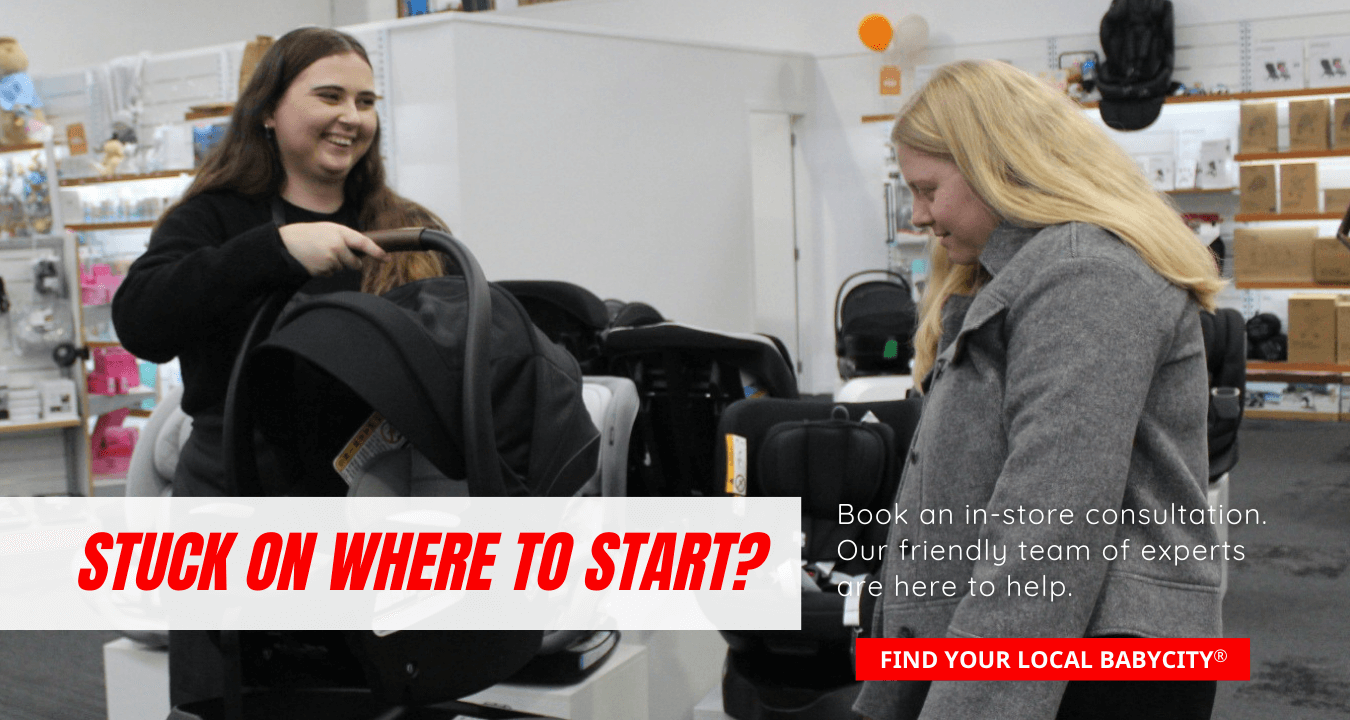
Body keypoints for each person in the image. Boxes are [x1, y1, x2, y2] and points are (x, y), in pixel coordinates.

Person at [854, 60, 1224, 720]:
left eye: (928, 189)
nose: (919, 215)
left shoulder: (1085, 276)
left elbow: (1050, 530)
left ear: (993, 164)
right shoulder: (1026, 269)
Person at [113, 27, 444, 497]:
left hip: (375, 503)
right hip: (236, 506)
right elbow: (140, 321)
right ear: (268, 110)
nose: (352, 117)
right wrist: (275, 251)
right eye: (330, 96)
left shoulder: (408, 227)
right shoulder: (214, 218)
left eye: (366, 102)